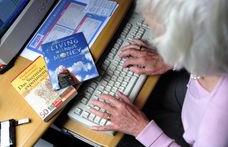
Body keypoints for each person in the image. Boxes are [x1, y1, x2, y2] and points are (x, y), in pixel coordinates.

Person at [89, 0, 228, 146]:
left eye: (158, 33)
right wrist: (175, 59)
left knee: (118, 140)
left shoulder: (215, 123)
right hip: (192, 109)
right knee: (148, 96)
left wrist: (139, 129)